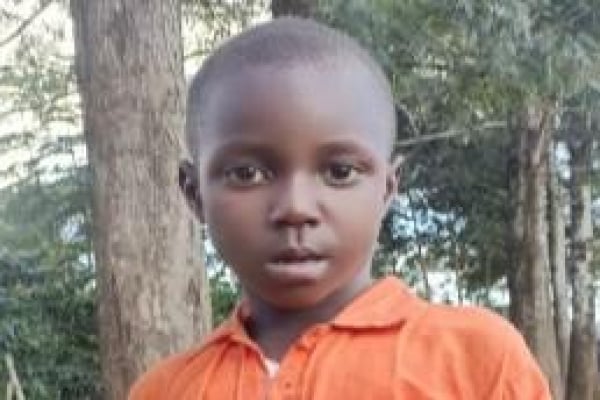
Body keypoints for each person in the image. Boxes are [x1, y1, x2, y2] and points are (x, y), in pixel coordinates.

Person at [129, 17, 551, 399]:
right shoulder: (166, 391)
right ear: (195, 193)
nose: (295, 208)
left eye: (340, 172)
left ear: (387, 188)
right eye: (247, 174)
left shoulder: (477, 361)